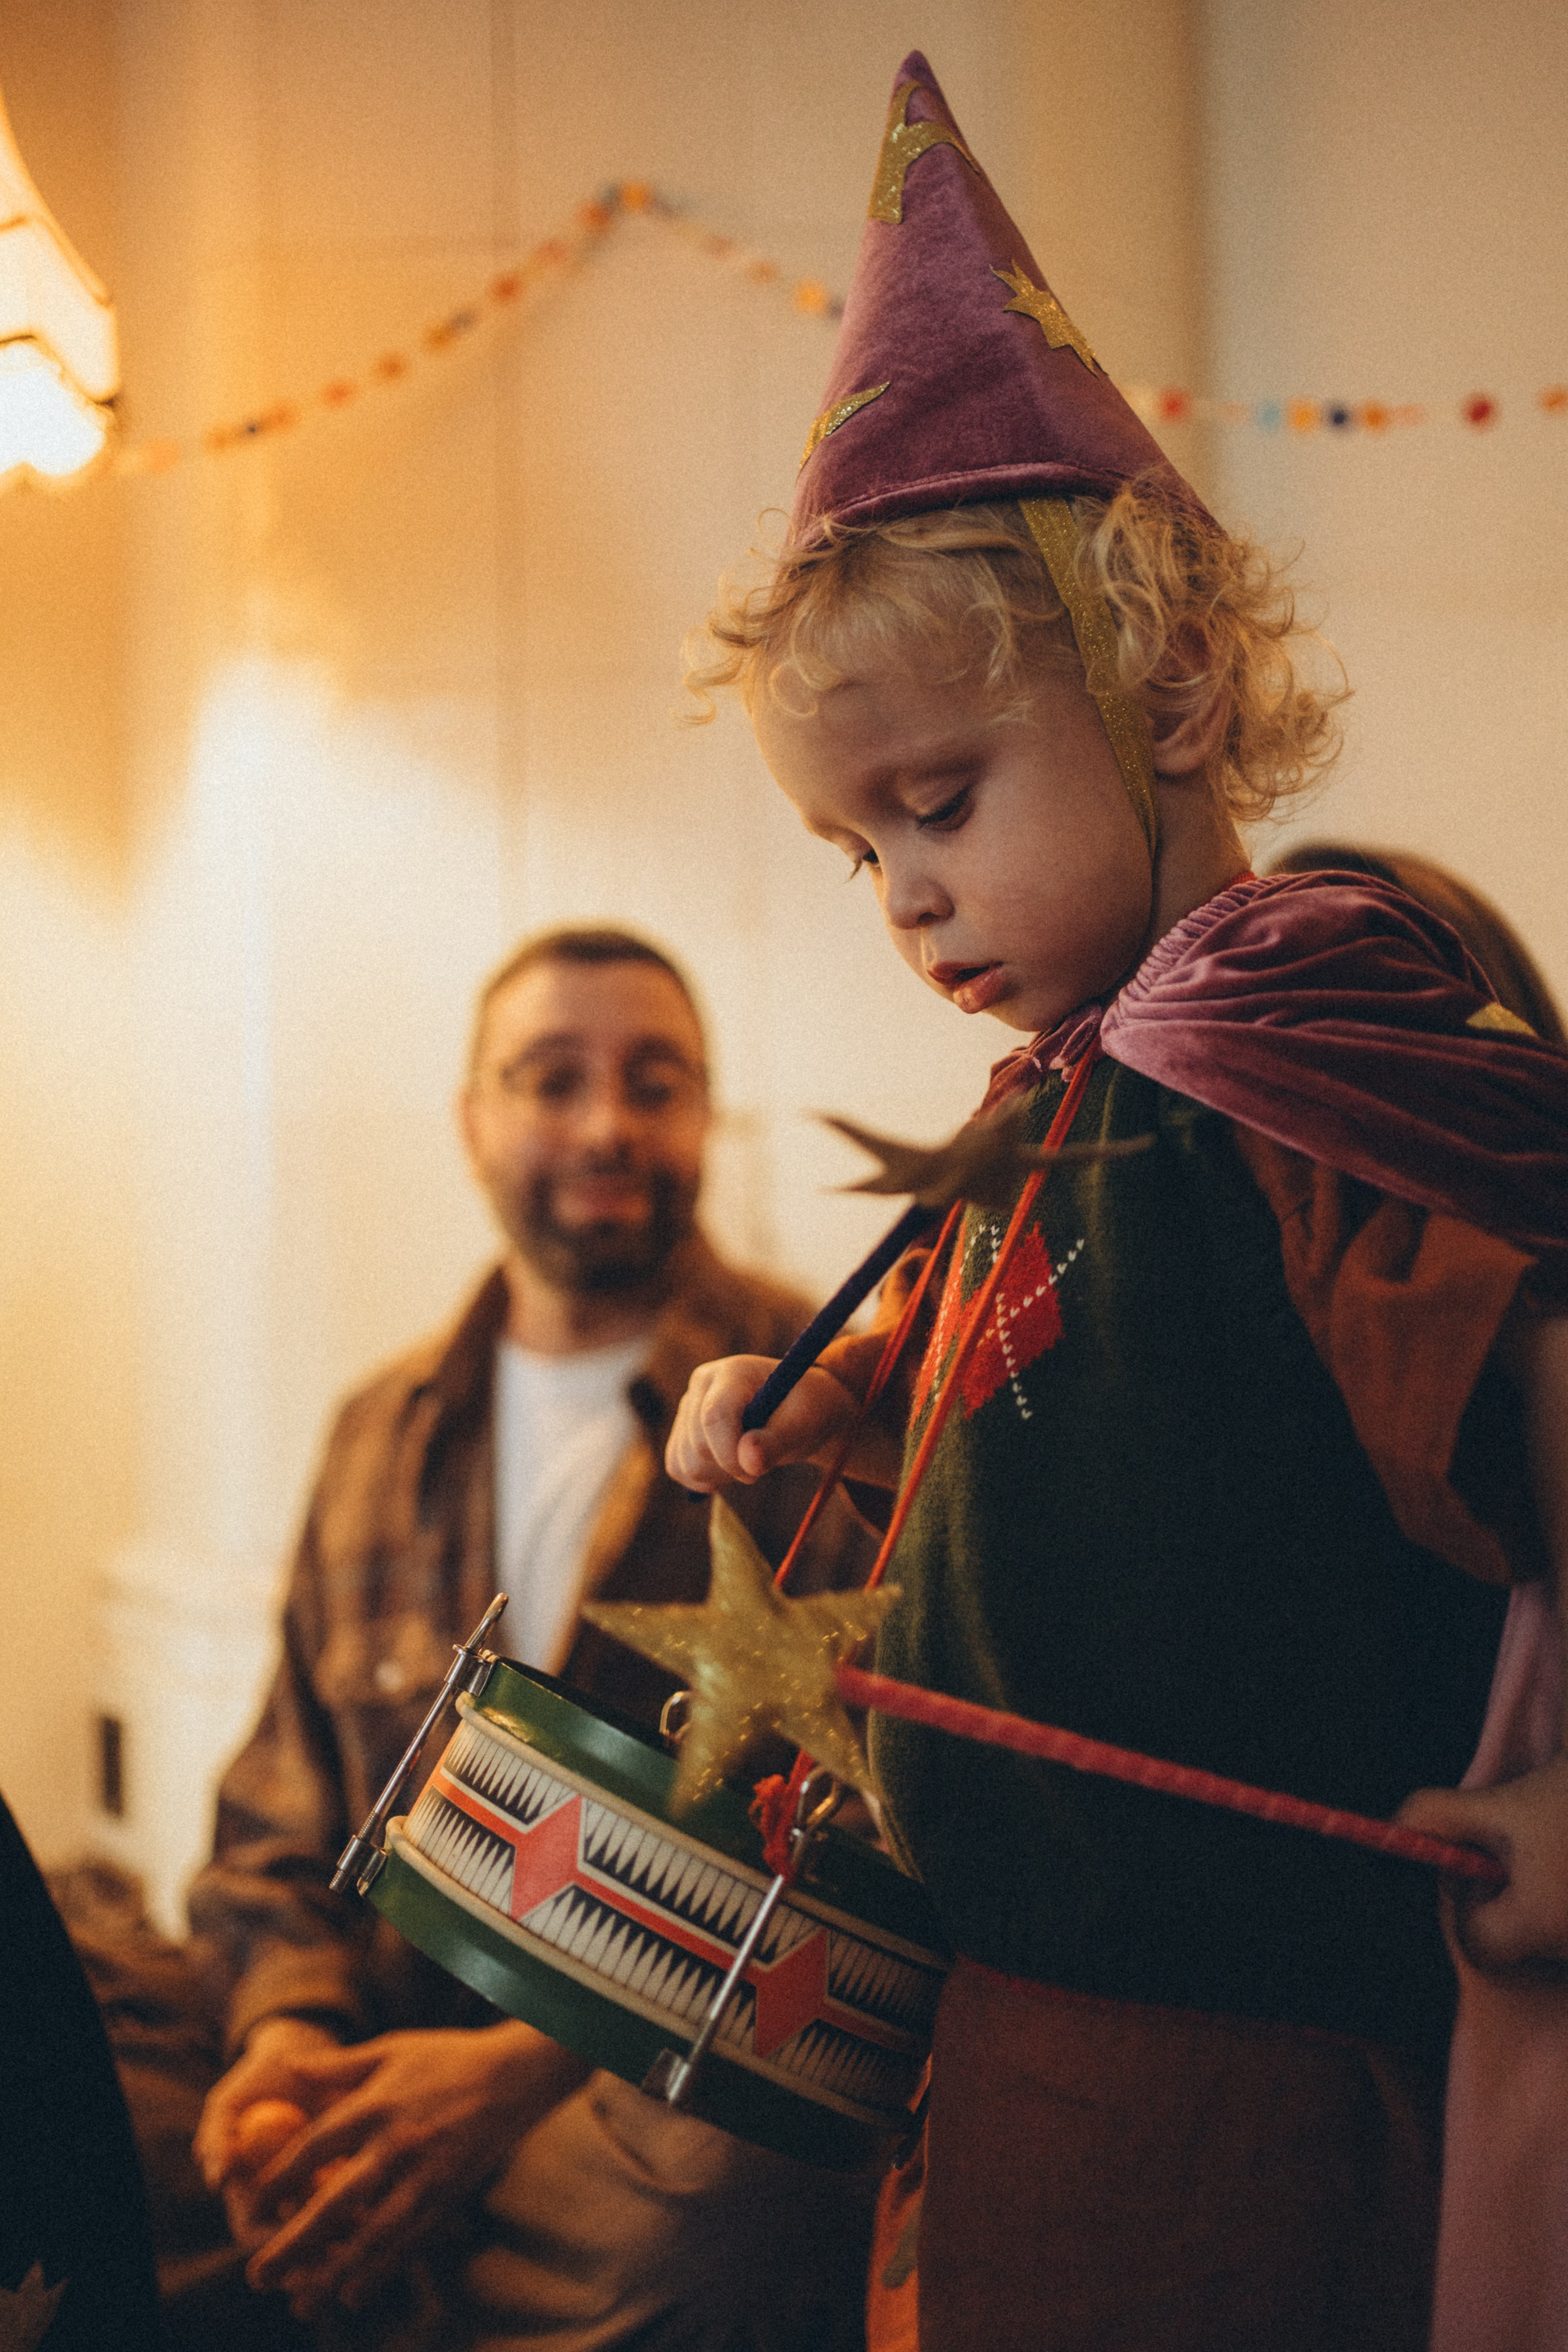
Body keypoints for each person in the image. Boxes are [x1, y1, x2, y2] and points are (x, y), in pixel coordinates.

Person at [662, 51, 1568, 2352]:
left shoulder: (1298, 1053)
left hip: (1237, 2061)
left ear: (1163, 686)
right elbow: (1046, 1411)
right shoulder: (1075, 1096)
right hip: (1005, 2009)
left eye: (936, 797)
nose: (898, 889)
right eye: (850, 843)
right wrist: (791, 1401)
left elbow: (1518, 1419)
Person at [184, 926, 877, 2349]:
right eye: (550, 1078)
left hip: (635, 2103)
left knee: (697, 2247)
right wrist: (283, 2049)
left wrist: (516, 2067)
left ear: (704, 1115)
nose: (606, 1123)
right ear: (473, 1119)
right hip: (370, 2045)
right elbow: (276, 1816)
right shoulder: (380, 1430)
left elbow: (858, 1871)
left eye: (655, 1080)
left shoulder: (823, 1414)